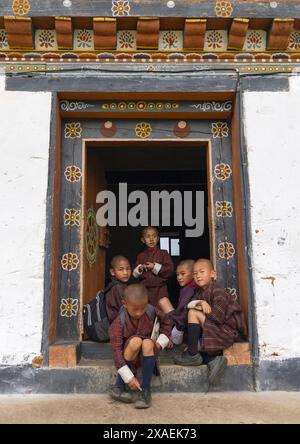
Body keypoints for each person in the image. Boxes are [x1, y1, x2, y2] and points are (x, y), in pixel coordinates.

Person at [174, 259, 247, 385]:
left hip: (225, 332)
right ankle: (212, 361)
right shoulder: (199, 292)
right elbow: (187, 305)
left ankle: (193, 356)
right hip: (213, 331)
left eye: (202, 272)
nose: (198, 276)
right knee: (189, 345)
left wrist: (200, 308)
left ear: (213, 274)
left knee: (193, 314)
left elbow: (218, 318)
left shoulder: (219, 293)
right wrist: (200, 303)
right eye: (195, 273)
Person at [108, 283, 171, 409]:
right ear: (124, 304)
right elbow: (117, 352)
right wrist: (129, 377)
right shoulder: (118, 323)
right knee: (135, 341)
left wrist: (159, 343)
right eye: (135, 309)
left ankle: (146, 391)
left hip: (148, 354)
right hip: (129, 356)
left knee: (147, 343)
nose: (139, 313)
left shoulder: (150, 310)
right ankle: (119, 386)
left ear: (147, 303)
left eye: (142, 308)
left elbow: (167, 322)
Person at [133, 227, 174, 312]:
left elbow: (170, 270)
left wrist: (154, 267)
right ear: (143, 240)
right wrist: (139, 269)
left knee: (162, 314)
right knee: (147, 314)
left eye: (154, 236)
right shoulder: (141, 256)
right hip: (145, 291)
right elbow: (135, 274)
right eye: (148, 237)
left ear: (158, 238)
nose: (151, 239)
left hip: (160, 290)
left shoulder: (163, 253)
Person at [167, 259, 198, 345]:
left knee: (163, 302)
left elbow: (182, 312)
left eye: (183, 274)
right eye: (177, 274)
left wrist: (172, 326)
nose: (179, 277)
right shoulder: (189, 287)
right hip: (184, 322)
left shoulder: (190, 289)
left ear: (193, 274)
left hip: (181, 327)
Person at [106, 255, 132, 323]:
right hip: (117, 324)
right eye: (121, 269)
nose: (125, 273)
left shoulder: (121, 286)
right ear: (112, 272)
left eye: (128, 269)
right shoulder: (117, 288)